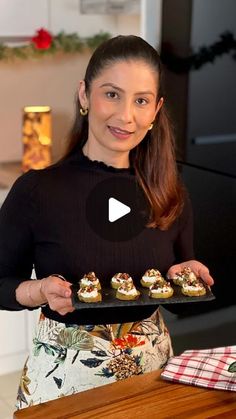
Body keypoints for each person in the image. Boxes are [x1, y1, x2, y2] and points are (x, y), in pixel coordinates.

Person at [0, 35, 214, 409]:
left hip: (152, 379)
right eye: (111, 94)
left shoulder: (169, 191)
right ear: (84, 94)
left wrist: (187, 274)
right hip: (63, 385)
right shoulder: (37, 190)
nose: (125, 116)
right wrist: (39, 291)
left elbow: (177, 302)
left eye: (141, 100)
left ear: (156, 109)